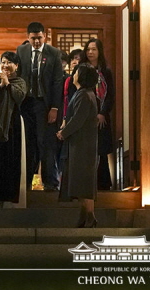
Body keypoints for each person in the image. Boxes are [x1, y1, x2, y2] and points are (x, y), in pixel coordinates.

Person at [16, 22, 64, 191]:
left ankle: (50, 182)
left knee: (45, 142)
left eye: (39, 38)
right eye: (33, 38)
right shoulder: (21, 51)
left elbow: (58, 81)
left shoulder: (53, 53)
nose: (36, 42)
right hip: (26, 103)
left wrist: (55, 108)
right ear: (27, 37)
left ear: (45, 36)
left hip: (44, 103)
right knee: (28, 143)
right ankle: (26, 182)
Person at [57, 63, 100, 227]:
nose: (74, 74)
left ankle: (90, 216)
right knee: (81, 181)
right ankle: (85, 216)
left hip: (83, 144)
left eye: (77, 72)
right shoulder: (85, 93)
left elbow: (78, 119)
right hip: (81, 143)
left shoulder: (84, 95)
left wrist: (64, 132)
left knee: (84, 181)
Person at [0, 51, 27, 208]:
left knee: (12, 160)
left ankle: (11, 199)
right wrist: (0, 85)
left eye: (9, 62)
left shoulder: (19, 81)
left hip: (13, 125)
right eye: (3, 62)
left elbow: (19, 96)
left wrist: (7, 83)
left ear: (16, 66)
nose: (5, 65)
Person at [79, 38, 115, 191]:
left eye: (94, 49)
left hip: (101, 117)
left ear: (99, 51)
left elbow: (110, 95)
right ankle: (85, 185)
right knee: (85, 151)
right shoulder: (80, 70)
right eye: (88, 49)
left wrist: (102, 113)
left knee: (101, 150)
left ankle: (103, 184)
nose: (90, 52)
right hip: (84, 117)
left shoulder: (106, 72)